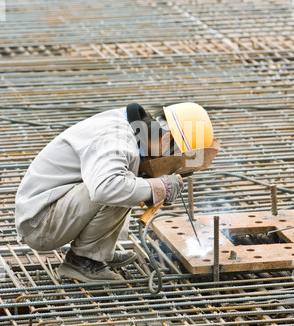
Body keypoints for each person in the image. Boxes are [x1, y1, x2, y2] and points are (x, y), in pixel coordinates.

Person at [15, 101, 213, 283]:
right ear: (168, 138)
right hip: (40, 225)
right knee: (117, 184)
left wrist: (151, 184)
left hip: (53, 210)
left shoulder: (134, 129)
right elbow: (105, 189)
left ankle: (98, 253)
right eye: (174, 158)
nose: (169, 165)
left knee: (128, 183)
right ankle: (83, 261)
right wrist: (158, 187)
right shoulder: (117, 141)